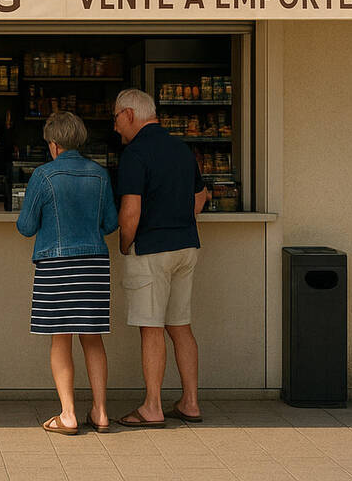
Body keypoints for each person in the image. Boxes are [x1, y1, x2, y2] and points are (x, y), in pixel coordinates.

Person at [111, 88, 210, 428]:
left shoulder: (135, 153)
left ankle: (152, 407)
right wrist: (180, 221)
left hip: (151, 248)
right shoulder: (182, 149)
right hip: (186, 246)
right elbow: (201, 196)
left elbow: (130, 211)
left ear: (129, 114)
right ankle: (190, 402)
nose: (115, 126)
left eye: (116, 118)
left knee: (151, 328)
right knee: (180, 326)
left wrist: (125, 243)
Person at [16, 111, 119, 435]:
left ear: (54, 144)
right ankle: (101, 412)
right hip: (94, 265)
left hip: (57, 266)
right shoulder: (100, 174)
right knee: (92, 338)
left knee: (60, 338)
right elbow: (111, 223)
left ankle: (69, 414)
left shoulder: (43, 175)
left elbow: (26, 226)